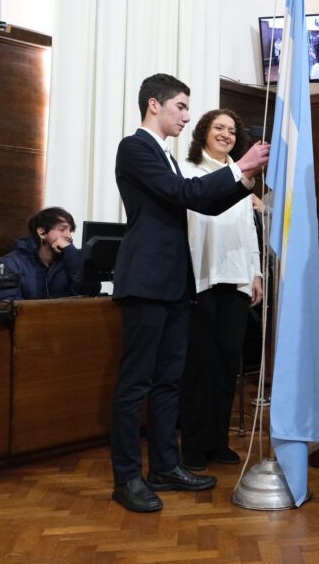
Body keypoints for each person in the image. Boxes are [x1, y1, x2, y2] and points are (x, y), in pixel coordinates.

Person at [109, 73, 269, 513]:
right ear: (153, 106)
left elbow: (206, 200)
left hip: (176, 283)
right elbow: (184, 193)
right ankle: (126, 478)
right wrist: (240, 166)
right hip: (146, 280)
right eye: (180, 106)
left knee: (168, 382)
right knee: (135, 384)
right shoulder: (135, 147)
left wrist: (243, 175)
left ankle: (165, 466)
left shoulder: (169, 158)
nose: (186, 114)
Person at [177, 108, 263, 472]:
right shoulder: (187, 172)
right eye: (219, 128)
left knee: (228, 366)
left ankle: (218, 441)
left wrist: (255, 274)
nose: (226, 134)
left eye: (232, 129)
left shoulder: (245, 179)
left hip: (237, 281)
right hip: (201, 280)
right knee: (199, 366)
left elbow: (248, 231)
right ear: (203, 133)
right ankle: (194, 444)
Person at [0, 207, 100, 300]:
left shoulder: (72, 258)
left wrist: (71, 252)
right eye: (62, 229)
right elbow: (9, 305)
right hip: (30, 320)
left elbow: (88, 295)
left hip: (68, 319)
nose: (69, 236)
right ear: (42, 232)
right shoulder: (12, 263)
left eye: (70, 231)